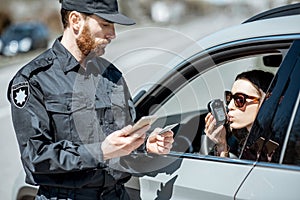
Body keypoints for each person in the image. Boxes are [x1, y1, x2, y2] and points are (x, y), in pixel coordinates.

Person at [7, 0, 174, 199]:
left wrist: (144, 144)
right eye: (105, 24)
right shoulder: (34, 80)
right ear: (76, 20)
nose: (113, 34)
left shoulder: (112, 75)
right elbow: (36, 157)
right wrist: (100, 152)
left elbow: (120, 135)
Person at [204, 70, 274, 157]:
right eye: (229, 98)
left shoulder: (274, 146)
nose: (229, 106)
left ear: (267, 101)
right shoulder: (242, 141)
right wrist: (221, 145)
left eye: (239, 100)